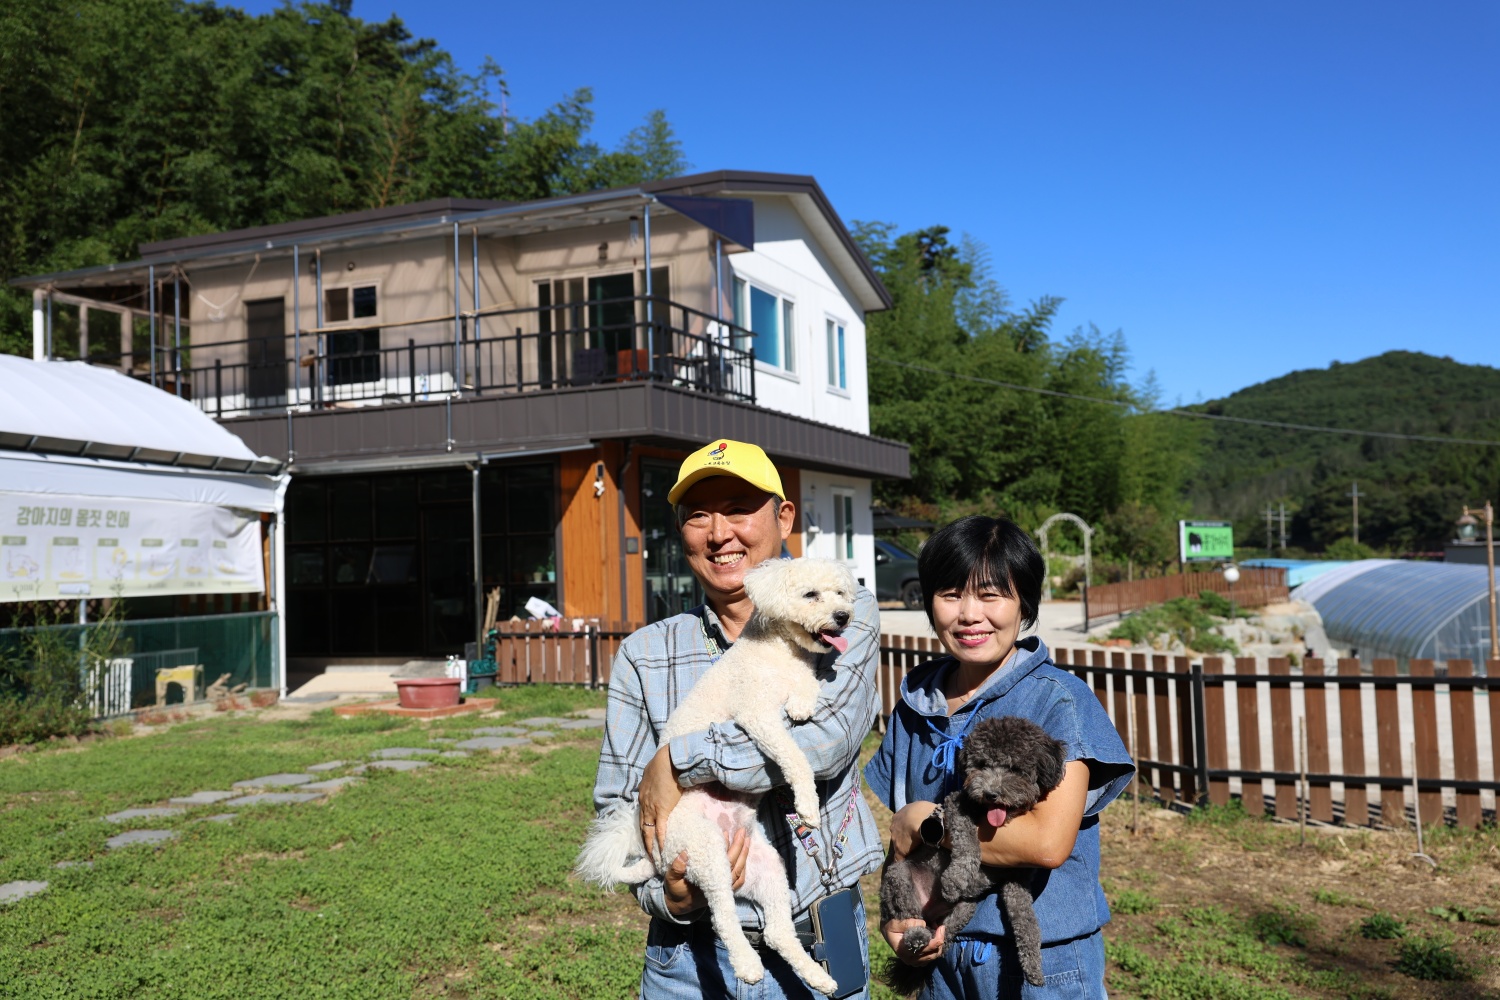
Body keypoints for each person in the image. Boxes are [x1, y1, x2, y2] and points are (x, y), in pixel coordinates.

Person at [593, 438, 884, 998]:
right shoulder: (644, 653)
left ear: (784, 517)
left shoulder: (845, 613)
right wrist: (668, 896)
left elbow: (825, 742)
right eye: (697, 515)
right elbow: (620, 804)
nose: (718, 533)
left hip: (819, 938)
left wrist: (675, 761)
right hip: (686, 962)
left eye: (738, 509)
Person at [864, 515, 1134, 998]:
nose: (969, 614)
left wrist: (928, 825)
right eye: (950, 594)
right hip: (942, 959)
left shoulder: (1057, 700)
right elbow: (902, 844)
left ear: (1024, 603)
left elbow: (1046, 843)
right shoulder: (916, 705)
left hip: (1040, 962)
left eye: (991, 595)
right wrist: (897, 919)